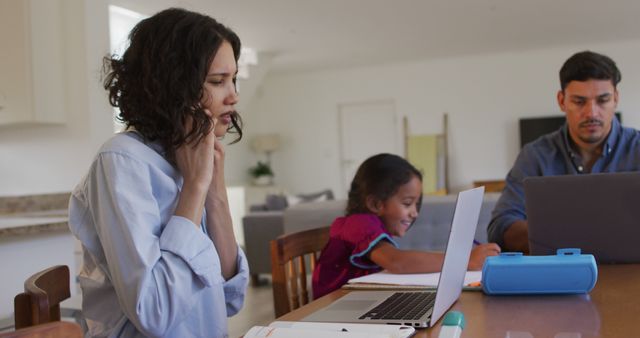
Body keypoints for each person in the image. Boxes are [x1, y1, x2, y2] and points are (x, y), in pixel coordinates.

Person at [68, 8, 248, 337]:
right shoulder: (121, 161)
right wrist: (194, 188)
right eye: (218, 81)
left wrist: (215, 196)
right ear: (173, 84)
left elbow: (229, 297)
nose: (234, 95)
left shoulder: (190, 156)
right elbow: (155, 313)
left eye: (233, 79)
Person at [487, 50, 640, 253]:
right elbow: (501, 226)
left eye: (602, 100)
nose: (592, 112)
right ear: (562, 101)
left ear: (616, 99)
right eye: (579, 101)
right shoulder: (535, 156)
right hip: (558, 276)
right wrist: (569, 239)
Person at [312, 153, 500, 298]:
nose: (415, 213)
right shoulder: (359, 224)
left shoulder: (371, 226)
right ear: (375, 204)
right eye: (407, 203)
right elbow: (397, 262)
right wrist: (464, 260)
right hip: (335, 312)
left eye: (416, 204)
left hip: (357, 303)